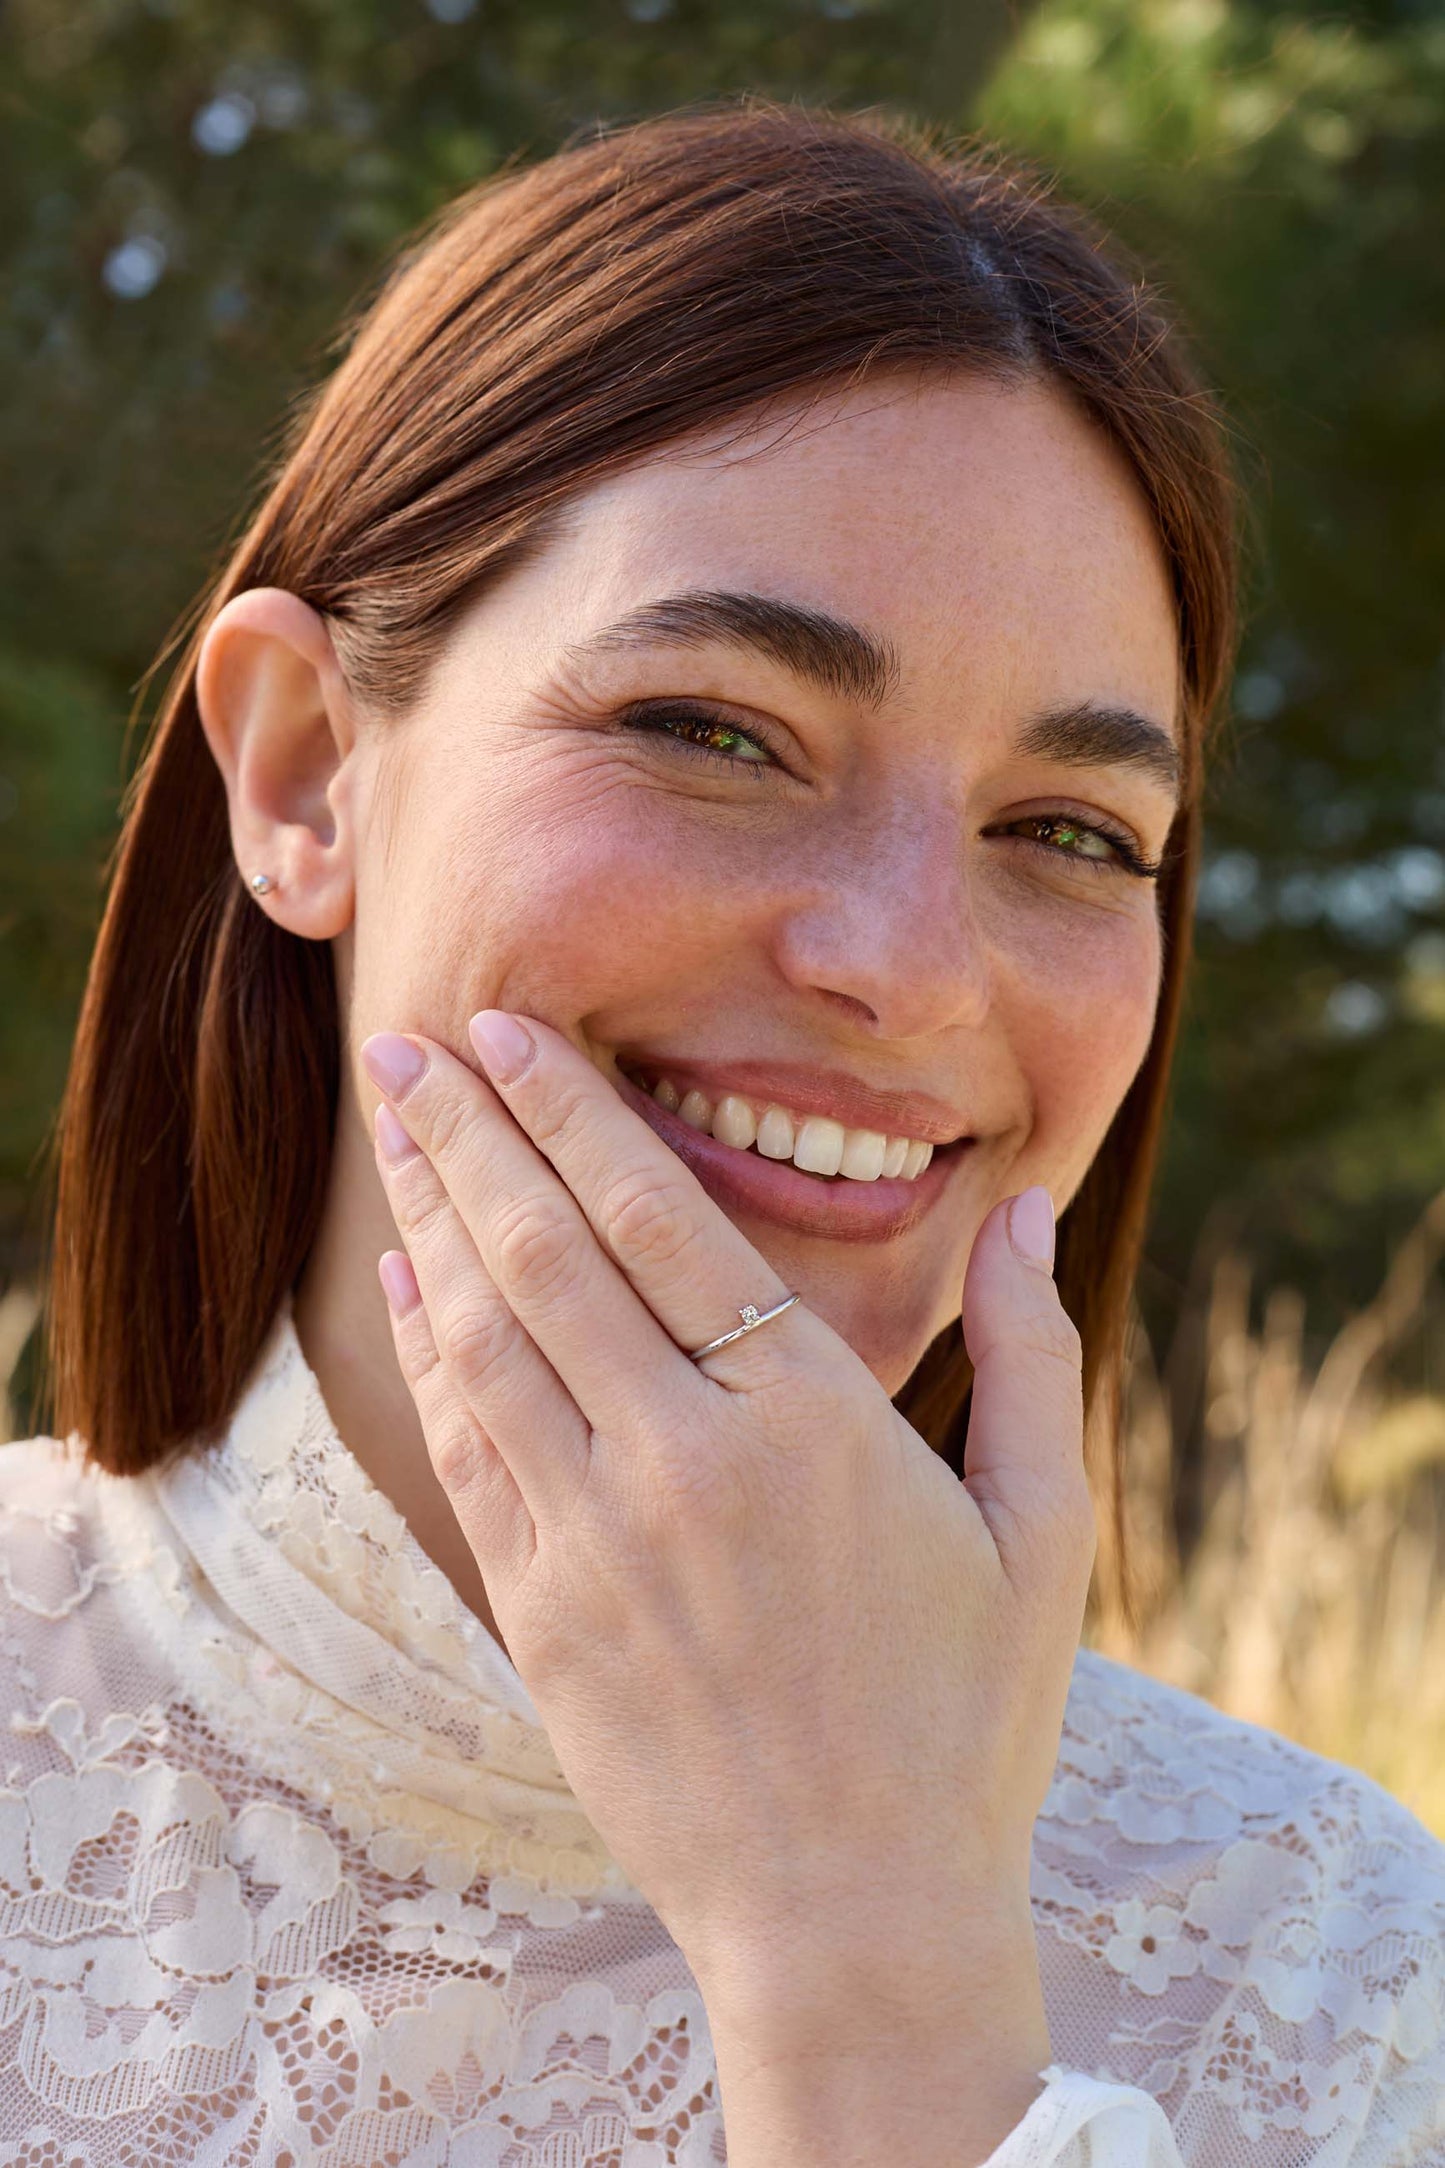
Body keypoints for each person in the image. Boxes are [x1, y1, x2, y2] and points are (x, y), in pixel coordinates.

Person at [6, 102, 1441, 2167]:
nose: (908, 970)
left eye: (1067, 830)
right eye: (712, 730)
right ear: (307, 772)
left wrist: (875, 1978)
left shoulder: (1333, 1978)